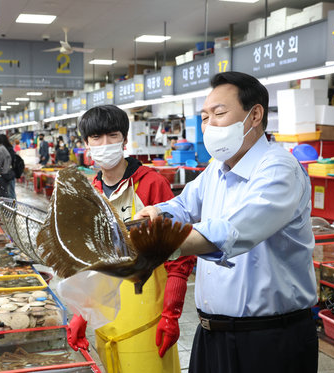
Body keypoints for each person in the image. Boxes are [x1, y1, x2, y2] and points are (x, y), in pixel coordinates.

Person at [135, 72, 318, 373]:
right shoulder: (216, 169)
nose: (208, 125)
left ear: (255, 114)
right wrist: (156, 215)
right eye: (204, 117)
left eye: (219, 114)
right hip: (212, 334)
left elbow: (230, 232)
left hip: (269, 341)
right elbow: (182, 205)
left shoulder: (278, 169)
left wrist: (160, 240)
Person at [67, 105, 196, 373]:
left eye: (112, 136)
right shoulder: (93, 191)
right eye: (96, 138)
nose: (104, 144)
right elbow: (95, 261)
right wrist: (82, 313)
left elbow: (179, 255)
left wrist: (171, 315)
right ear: (87, 144)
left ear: (125, 140)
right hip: (107, 320)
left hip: (148, 317)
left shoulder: (151, 184)